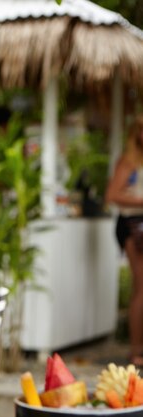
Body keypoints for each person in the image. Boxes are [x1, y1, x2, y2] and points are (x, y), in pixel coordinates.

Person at [106, 116, 143, 366]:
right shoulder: (128, 162)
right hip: (133, 226)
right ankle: (136, 350)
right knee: (141, 287)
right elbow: (112, 195)